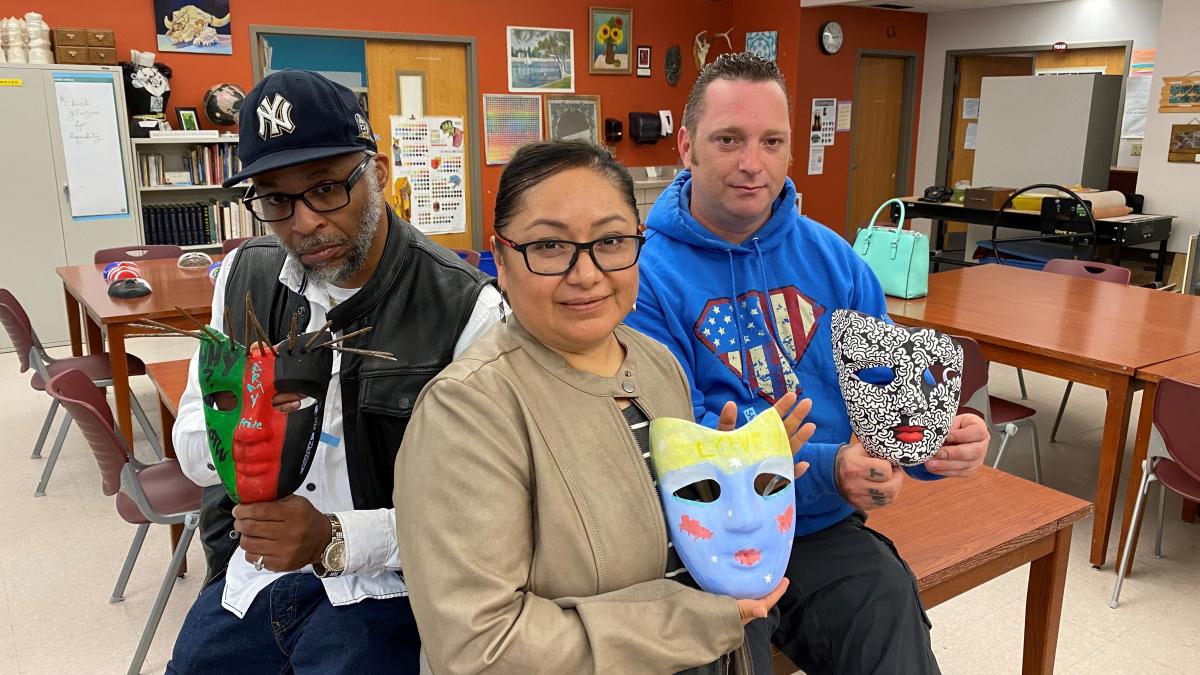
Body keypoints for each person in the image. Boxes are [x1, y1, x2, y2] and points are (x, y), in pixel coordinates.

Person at [625, 53, 992, 674]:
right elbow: (676, 434)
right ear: (687, 145)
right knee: (710, 655)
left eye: (772, 141)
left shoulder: (837, 260)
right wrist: (830, 468)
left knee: (885, 605)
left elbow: (888, 401)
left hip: (820, 527)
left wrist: (930, 444)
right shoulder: (642, 275)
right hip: (707, 538)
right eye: (729, 139)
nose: (752, 163)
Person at [394, 141, 814, 674]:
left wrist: (740, 480)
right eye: (549, 246)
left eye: (611, 240)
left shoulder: (658, 365)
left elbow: (679, 538)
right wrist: (695, 622)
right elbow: (479, 647)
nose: (586, 273)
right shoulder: (466, 412)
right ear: (499, 257)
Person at [167, 70, 502, 673]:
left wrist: (335, 537)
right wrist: (247, 430)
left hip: (385, 589)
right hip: (254, 577)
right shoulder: (245, 274)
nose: (302, 222)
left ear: (375, 174)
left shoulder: (467, 309)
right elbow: (192, 433)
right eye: (275, 199)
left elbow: (483, 517)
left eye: (325, 188)